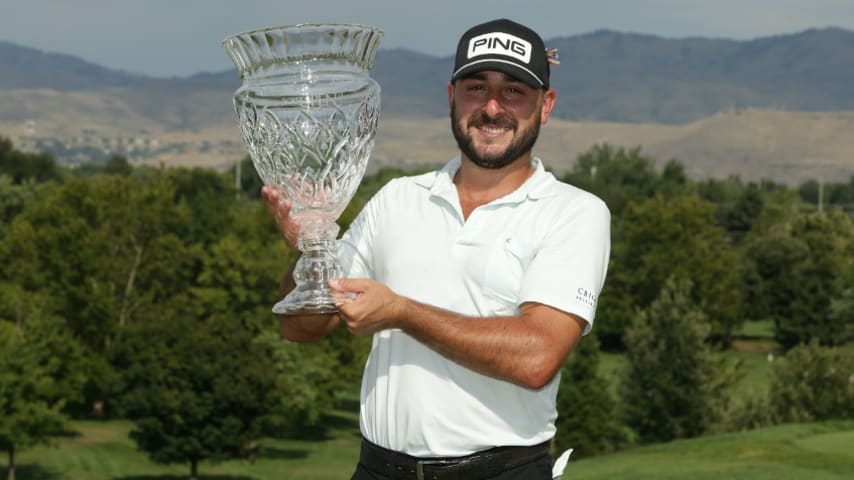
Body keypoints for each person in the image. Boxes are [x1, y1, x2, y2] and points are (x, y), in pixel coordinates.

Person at [263, 18, 611, 480]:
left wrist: (402, 312)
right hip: (377, 469)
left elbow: (536, 358)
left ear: (544, 106)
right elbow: (300, 326)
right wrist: (311, 245)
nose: (492, 107)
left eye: (513, 91)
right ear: (451, 97)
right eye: (476, 87)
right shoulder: (397, 198)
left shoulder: (573, 212)